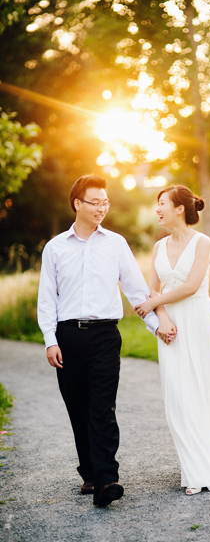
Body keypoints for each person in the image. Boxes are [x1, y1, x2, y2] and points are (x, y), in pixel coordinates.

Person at [37, 174, 176, 507]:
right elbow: (47, 300)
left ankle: (106, 479)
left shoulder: (115, 244)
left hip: (104, 336)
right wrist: (49, 340)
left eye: (105, 202)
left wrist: (156, 324)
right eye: (95, 202)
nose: (102, 208)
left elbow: (135, 289)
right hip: (68, 337)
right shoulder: (55, 248)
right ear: (77, 204)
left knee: (102, 407)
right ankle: (89, 471)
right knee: (78, 407)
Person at [134, 185, 210, 496]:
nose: (158, 209)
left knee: (203, 391)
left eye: (162, 203)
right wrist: (162, 320)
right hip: (172, 327)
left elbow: (192, 285)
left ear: (180, 208)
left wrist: (153, 305)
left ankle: (207, 469)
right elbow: (154, 288)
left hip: (199, 320)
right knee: (178, 398)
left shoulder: (202, 242)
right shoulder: (158, 247)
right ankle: (196, 465)